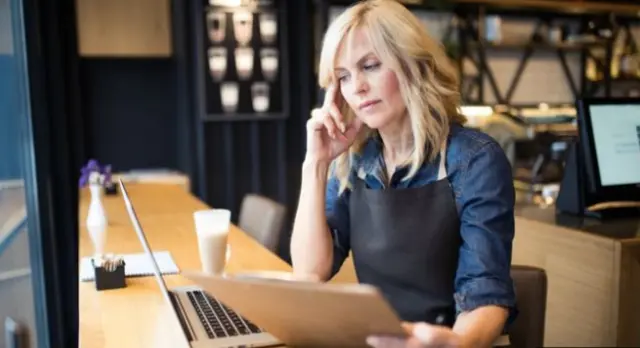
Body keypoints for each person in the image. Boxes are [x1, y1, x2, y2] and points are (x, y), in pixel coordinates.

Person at [290, 0, 517, 347]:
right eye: (343, 77)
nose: (358, 87)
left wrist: (452, 343)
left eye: (370, 66)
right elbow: (310, 272)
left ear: (413, 65)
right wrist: (315, 164)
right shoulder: (355, 160)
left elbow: (485, 296)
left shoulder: (474, 160)